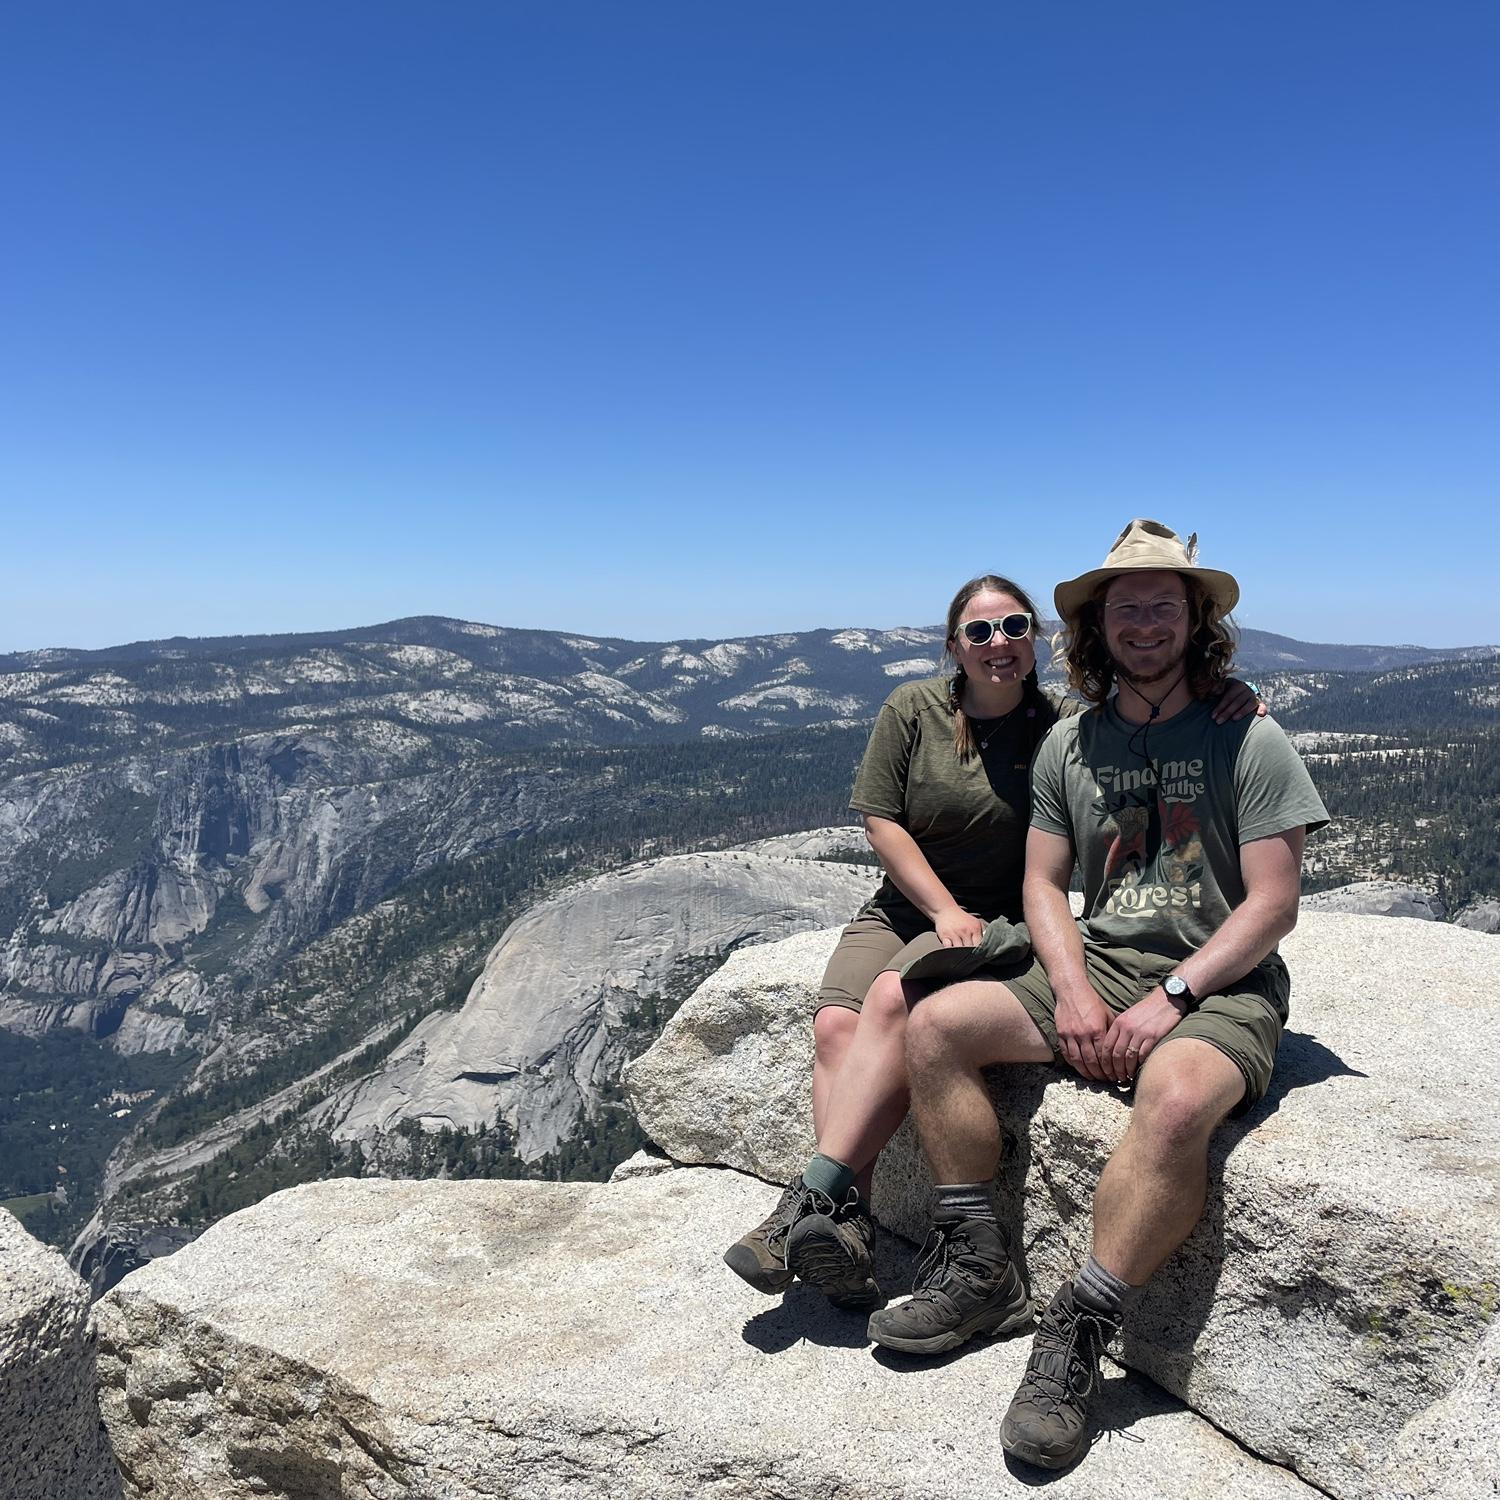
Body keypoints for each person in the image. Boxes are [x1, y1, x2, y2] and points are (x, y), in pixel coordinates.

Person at [865, 520, 1329, 1474]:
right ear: (1097, 626)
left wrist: (1172, 996)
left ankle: (1079, 1326)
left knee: (1179, 1099)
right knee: (941, 1024)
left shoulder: (1251, 734)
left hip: (1219, 979)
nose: (1147, 623)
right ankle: (980, 1266)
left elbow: (1275, 905)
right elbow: (1043, 885)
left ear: (1197, 617)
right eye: (1127, 607)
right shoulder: (1072, 742)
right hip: (1105, 958)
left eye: (1166, 603)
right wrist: (1073, 993)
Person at [722, 565, 1263, 1310]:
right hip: (908, 906)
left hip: (1001, 918)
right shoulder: (913, 708)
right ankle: (843, 1232)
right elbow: (880, 820)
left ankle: (809, 1206)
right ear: (955, 646)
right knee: (833, 1027)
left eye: (1014, 627)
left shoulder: (1056, 727)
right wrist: (939, 907)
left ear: (1036, 640)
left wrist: (1234, 694)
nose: (998, 642)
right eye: (979, 631)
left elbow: (1157, 703)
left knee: (889, 1002)